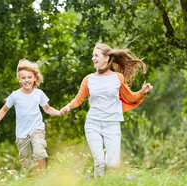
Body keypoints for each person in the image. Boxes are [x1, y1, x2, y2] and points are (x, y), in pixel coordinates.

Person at [60, 43, 153, 178]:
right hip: (93, 124)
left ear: (107, 58)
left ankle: (105, 155)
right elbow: (78, 99)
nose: (93, 58)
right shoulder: (88, 79)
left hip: (112, 124)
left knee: (113, 165)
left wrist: (142, 92)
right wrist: (68, 106)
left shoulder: (118, 78)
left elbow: (130, 97)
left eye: (96, 55)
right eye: (93, 55)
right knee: (99, 162)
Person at [0, 59, 63, 171]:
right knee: (27, 163)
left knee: (39, 151)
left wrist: (59, 112)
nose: (27, 80)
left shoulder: (39, 93)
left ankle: (43, 177)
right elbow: (3, 110)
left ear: (34, 78)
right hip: (22, 134)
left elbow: (47, 108)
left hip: (37, 129)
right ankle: (32, 182)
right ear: (19, 80)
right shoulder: (15, 95)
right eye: (23, 78)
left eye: (29, 77)